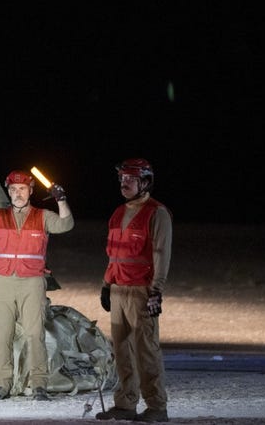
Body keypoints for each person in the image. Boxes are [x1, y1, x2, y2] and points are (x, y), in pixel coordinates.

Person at [0, 168, 73, 401]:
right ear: (9, 192)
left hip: (32, 283)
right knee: (1, 335)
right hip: (2, 283)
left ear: (30, 191)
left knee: (34, 335)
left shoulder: (42, 216)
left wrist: (61, 200)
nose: (17, 193)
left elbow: (65, 225)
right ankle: (2, 384)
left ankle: (39, 385)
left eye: (22, 189)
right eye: (13, 189)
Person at [96, 158, 172, 423]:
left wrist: (156, 291)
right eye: (122, 179)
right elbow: (113, 254)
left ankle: (156, 406)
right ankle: (125, 404)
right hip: (118, 289)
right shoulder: (118, 212)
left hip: (141, 290)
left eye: (130, 179)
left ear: (145, 182)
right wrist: (107, 285)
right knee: (122, 350)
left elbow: (161, 253)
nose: (124, 183)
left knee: (146, 350)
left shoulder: (156, 212)